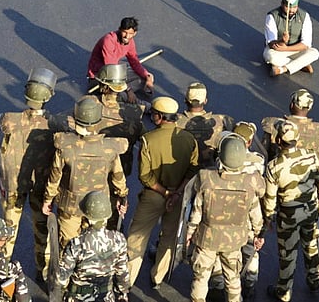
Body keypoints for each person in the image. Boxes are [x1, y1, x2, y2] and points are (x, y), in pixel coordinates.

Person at [125, 96, 199, 288]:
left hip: (154, 196)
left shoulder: (148, 140)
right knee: (169, 237)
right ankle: (157, 277)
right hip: (179, 197)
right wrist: (176, 193)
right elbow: (193, 170)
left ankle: (127, 282)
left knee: (137, 237)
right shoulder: (189, 139)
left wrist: (165, 193)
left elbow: (145, 176)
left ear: (159, 117)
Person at [43, 96, 130, 245]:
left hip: (70, 206)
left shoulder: (65, 146)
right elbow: (118, 177)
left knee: (68, 247)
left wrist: (48, 200)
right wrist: (122, 198)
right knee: (96, 247)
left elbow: (54, 177)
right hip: (99, 205)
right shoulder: (110, 148)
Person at [0, 68, 58, 280]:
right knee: (42, 231)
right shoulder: (55, 125)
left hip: (14, 186)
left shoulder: (8, 120)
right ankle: (44, 270)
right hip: (41, 188)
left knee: (7, 229)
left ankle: (1, 270)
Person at [187, 136, 264, 302]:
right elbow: (256, 214)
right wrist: (258, 234)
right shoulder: (251, 182)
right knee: (233, 278)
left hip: (207, 238)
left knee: (201, 279)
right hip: (234, 240)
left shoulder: (205, 178)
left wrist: (189, 233)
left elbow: (196, 211)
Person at [262, 119, 319, 301]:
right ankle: (314, 279)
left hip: (288, 215)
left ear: (278, 141)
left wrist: (268, 219)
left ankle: (284, 291)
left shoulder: (274, 167)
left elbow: (269, 198)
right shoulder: (311, 156)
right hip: (311, 209)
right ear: (297, 139)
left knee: (288, 253)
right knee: (311, 245)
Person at [55, 191, 130, 302]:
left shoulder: (77, 243)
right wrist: (123, 294)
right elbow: (122, 274)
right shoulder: (119, 240)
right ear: (107, 216)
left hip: (78, 297)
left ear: (86, 216)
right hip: (106, 297)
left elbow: (61, 279)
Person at [91, 64, 146, 178]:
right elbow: (147, 139)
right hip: (121, 168)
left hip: (93, 166)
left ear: (103, 86)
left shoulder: (88, 106)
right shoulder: (134, 113)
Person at [261, 89, 319, 162]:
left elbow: (263, 151)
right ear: (309, 108)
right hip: (306, 171)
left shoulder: (273, 124)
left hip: (276, 168)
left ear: (292, 105)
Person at [87, 16, 155, 94]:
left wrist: (147, 77)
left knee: (147, 77)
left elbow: (134, 62)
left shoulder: (130, 41)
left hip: (115, 70)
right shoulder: (108, 40)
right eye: (125, 32)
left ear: (135, 33)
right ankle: (123, 94)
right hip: (101, 76)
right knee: (118, 92)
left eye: (130, 33)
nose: (127, 36)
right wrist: (128, 89)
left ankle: (123, 93)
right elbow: (111, 70)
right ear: (120, 29)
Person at [176, 82, 235, 168]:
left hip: (181, 171)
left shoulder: (174, 121)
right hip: (210, 172)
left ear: (185, 100)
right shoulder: (222, 121)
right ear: (205, 101)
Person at [263, 0, 319, 76]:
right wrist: (282, 41)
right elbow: (271, 43)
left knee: (314, 53)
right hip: (278, 51)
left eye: (294, 7)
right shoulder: (272, 16)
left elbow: (306, 44)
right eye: (288, 7)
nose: (291, 10)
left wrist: (286, 48)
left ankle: (282, 69)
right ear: (282, 4)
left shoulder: (305, 16)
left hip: (296, 50)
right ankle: (300, 64)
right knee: (269, 56)